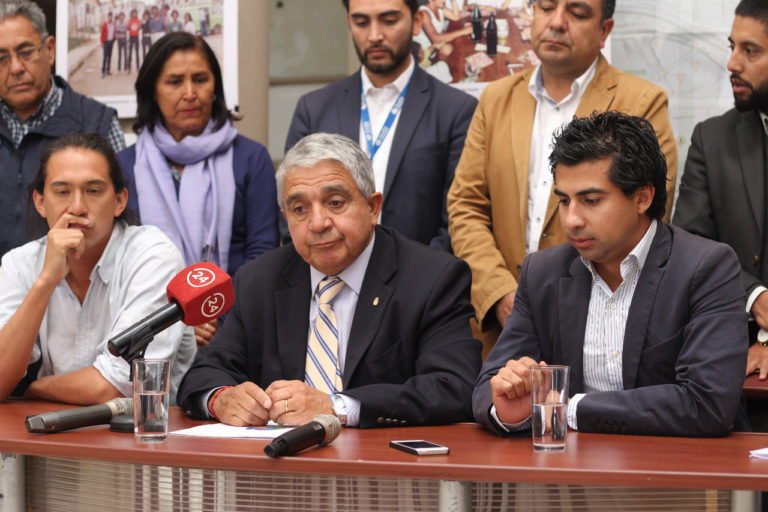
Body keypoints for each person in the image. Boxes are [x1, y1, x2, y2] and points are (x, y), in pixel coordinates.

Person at [177, 133, 482, 428]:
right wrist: (222, 399)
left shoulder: (432, 277)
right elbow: (203, 375)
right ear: (286, 218)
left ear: (373, 207)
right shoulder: (258, 281)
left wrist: (336, 407)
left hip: (383, 468)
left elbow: (453, 387)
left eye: (335, 202)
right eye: (300, 209)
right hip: (279, 469)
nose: (318, 223)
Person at [474, 111, 748, 438]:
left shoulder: (706, 267)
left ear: (642, 197)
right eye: (564, 201)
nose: (572, 220)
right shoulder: (543, 272)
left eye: (591, 200)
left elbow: (707, 403)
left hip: (680, 473)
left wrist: (567, 407)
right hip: (571, 473)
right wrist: (509, 409)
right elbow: (487, 388)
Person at [447, 0, 677, 356]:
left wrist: (560, 302)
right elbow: (465, 206)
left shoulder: (642, 102)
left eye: (577, 12)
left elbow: (646, 218)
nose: (556, 23)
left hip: (601, 327)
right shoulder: (495, 99)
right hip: (501, 329)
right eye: (545, 7)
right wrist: (500, 293)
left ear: (604, 31)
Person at [0, 133, 195, 405]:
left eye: (93, 191)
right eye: (62, 191)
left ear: (119, 201)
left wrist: (36, 387)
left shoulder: (152, 255)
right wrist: (45, 281)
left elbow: (118, 387)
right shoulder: (19, 264)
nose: (77, 207)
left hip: (142, 437)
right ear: (40, 202)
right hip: (48, 439)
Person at [118, 32, 280, 348]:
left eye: (200, 79)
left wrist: (214, 315)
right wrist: (174, 324)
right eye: (175, 82)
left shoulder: (251, 158)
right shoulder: (123, 167)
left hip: (235, 332)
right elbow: (122, 264)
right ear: (153, 90)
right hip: (151, 332)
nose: (190, 93)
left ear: (215, 88)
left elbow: (262, 255)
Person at [285, 0, 477, 252]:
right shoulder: (314, 109)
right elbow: (292, 211)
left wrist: (424, 282)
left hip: (422, 281)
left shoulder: (456, 110)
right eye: (362, 22)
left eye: (389, 20)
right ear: (349, 24)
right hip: (330, 278)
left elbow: (460, 219)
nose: (374, 35)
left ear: (417, 21)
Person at [673, 0, 768, 385]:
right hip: (736, 372)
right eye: (732, 47)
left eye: (750, 51)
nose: (732, 63)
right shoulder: (712, 141)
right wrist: (754, 296)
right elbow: (688, 247)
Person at [0, 1, 125, 258]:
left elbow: (122, 226)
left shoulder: (96, 123)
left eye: (25, 52)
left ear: (50, 50)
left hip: (73, 288)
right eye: (1, 59)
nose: (15, 68)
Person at [100, 12, 116, 78]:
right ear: (108, 17)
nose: (110, 18)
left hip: (111, 42)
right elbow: (102, 33)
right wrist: (102, 42)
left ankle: (108, 70)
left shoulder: (114, 24)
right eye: (109, 16)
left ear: (112, 17)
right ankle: (103, 72)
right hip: (106, 42)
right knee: (105, 57)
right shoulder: (105, 24)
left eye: (111, 16)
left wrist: (114, 39)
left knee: (109, 56)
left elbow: (115, 32)